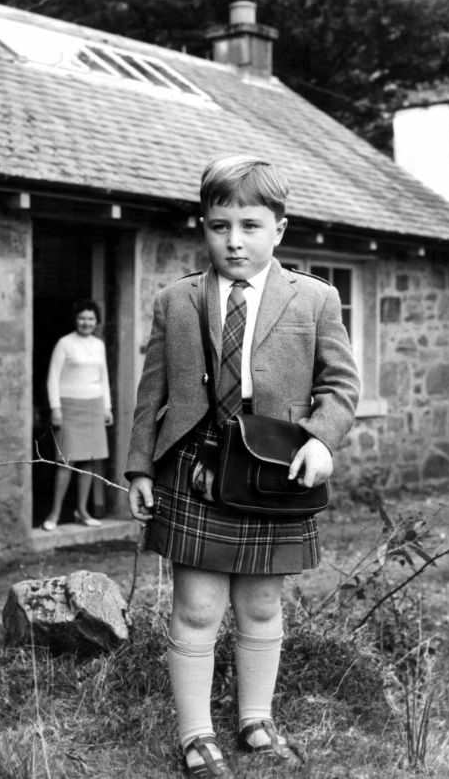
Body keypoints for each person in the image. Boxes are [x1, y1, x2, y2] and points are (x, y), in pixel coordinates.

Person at [126, 154, 360, 777]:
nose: (234, 240)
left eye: (251, 226)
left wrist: (321, 439)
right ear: (202, 227)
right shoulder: (175, 300)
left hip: (273, 474)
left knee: (260, 607)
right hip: (194, 471)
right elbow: (151, 392)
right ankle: (196, 734)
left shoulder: (314, 299)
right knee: (196, 609)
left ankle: (257, 718)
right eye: (219, 225)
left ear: (279, 229)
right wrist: (141, 468)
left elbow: (340, 386)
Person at [42, 298, 113, 531]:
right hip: (69, 407)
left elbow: (103, 378)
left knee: (89, 462)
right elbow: (53, 377)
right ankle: (53, 514)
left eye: (91, 318)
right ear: (76, 320)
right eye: (82, 318)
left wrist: (107, 407)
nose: (86, 322)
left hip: (94, 406)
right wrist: (56, 409)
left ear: (96, 322)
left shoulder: (99, 344)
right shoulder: (64, 344)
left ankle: (82, 511)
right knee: (66, 462)